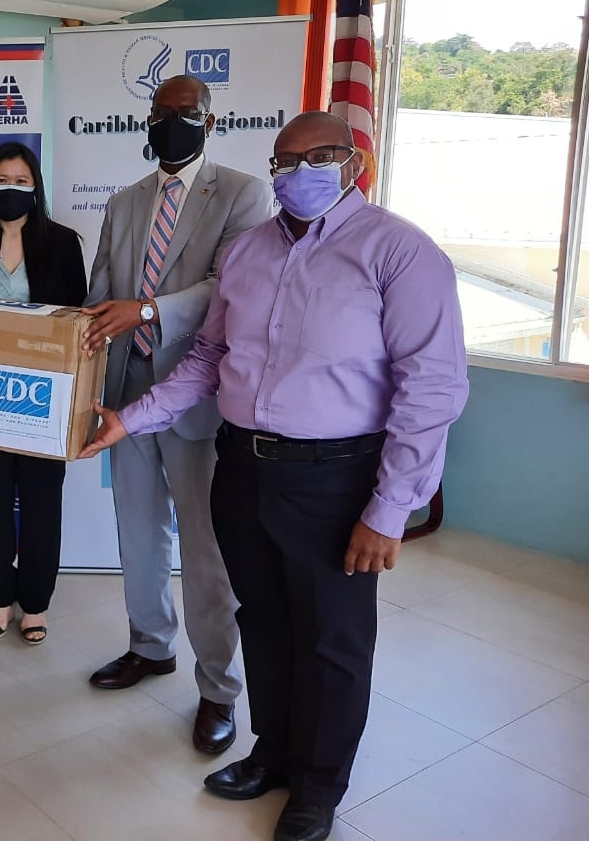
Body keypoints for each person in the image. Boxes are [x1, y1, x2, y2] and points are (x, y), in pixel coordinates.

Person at [80, 111, 469, 841]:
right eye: (284, 161)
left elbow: (433, 388)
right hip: (242, 469)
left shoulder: (399, 252)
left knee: (331, 640)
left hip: (337, 478)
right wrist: (129, 418)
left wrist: (390, 510)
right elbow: (206, 359)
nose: (298, 172)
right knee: (262, 621)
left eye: (317, 156)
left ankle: (320, 787)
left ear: (354, 161)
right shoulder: (249, 253)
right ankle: (274, 754)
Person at [81, 74, 274, 755]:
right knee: (137, 533)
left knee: (205, 549)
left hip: (195, 396)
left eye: (184, 113)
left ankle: (218, 689)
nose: (172, 122)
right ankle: (149, 645)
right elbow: (103, 289)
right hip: (127, 392)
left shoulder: (244, 193)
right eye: (161, 113)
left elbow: (230, 285)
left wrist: (151, 310)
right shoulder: (126, 200)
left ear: (210, 120)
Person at [0, 141, 86, 645]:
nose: (11, 189)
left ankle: (35, 604)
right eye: (1, 180)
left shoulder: (64, 243)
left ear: (36, 187)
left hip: (46, 399)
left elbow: (76, 322)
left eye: (21, 181)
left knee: (42, 501)